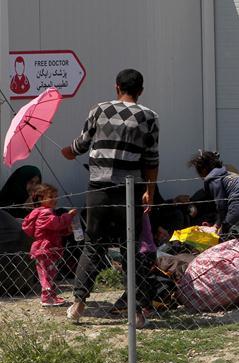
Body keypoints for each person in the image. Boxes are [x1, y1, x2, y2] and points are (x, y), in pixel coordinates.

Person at [61, 68, 158, 326]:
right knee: (131, 248)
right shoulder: (150, 117)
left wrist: (68, 152)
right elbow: (151, 158)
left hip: (99, 189)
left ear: (117, 87)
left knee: (93, 245)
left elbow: (81, 145)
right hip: (131, 190)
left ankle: (78, 305)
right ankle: (137, 313)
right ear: (141, 90)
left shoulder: (99, 110)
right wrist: (150, 189)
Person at [21, 184, 76, 307]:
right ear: (41, 198)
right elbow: (55, 224)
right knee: (46, 274)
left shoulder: (44, 212)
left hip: (47, 246)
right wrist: (68, 216)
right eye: (51, 196)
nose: (55, 199)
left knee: (49, 273)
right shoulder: (45, 213)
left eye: (56, 196)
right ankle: (46, 298)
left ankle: (51, 296)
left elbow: (52, 229)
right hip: (46, 247)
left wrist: (66, 231)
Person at [189, 150, 239, 233]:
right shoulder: (231, 175)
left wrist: (217, 225)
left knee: (224, 235)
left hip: (238, 206)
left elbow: (221, 205)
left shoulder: (213, 178)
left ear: (203, 170)